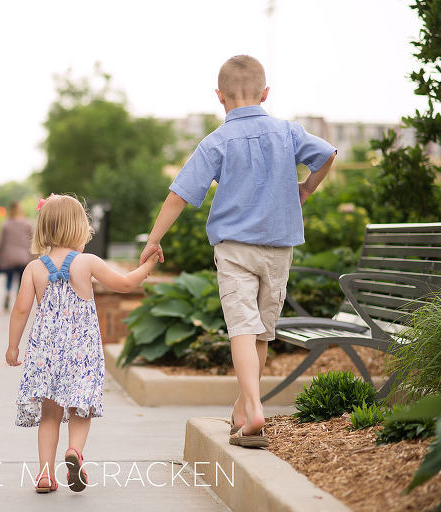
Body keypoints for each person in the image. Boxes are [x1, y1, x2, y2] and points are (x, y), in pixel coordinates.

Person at [139, 55, 336, 449]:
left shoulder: (217, 141)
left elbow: (179, 194)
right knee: (261, 332)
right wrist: (306, 189)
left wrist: (154, 238)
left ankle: (253, 409)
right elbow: (328, 154)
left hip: (234, 250)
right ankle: (244, 408)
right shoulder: (288, 132)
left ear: (220, 97)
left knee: (242, 329)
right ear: (265, 94)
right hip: (279, 250)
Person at [5, 194, 159, 493]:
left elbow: (21, 310)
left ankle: (46, 475)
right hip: (81, 351)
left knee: (50, 414)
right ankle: (74, 451)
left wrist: (13, 347)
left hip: (46, 352)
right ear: (79, 229)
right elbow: (126, 284)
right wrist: (148, 264)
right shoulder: (87, 262)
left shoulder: (34, 269)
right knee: (80, 408)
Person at [0, 201, 34, 311]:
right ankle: (19, 298)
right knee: (21, 280)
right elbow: (32, 241)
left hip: (9, 257)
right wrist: (33, 257)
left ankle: (8, 292)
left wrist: (0, 255)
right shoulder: (27, 224)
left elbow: (1, 242)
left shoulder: (6, 224)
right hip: (24, 257)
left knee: (9, 278)